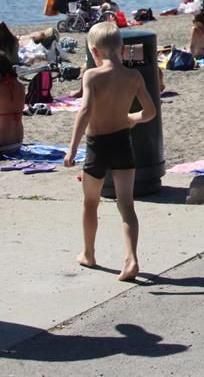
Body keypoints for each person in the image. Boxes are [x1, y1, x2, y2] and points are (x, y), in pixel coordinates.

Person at [63, 22, 157, 280]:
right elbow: (150, 112)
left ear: (94, 51)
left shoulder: (92, 76)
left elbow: (85, 112)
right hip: (123, 143)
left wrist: (72, 149)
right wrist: (133, 118)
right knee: (126, 205)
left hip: (97, 146)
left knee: (90, 202)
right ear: (122, 49)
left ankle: (89, 253)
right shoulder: (133, 76)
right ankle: (131, 258)